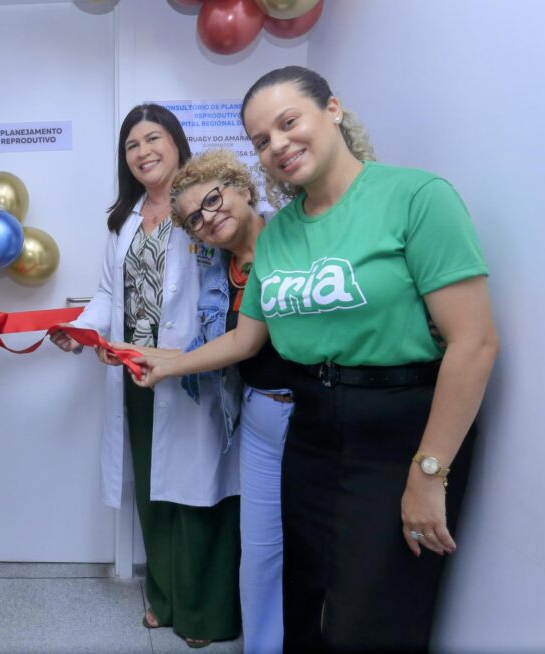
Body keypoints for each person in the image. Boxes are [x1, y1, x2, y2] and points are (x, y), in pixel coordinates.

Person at [128, 66, 498, 652]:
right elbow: (246, 340)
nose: (277, 145)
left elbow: (473, 343)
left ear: (333, 109)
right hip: (311, 422)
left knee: (372, 613)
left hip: (399, 422)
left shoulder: (416, 197)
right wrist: (167, 361)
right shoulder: (279, 236)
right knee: (303, 594)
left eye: (288, 122)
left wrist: (430, 472)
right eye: (262, 140)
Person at [50, 104, 241, 648]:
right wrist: (82, 330)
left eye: (153, 138)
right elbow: (109, 293)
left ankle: (204, 615)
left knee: (201, 493)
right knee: (154, 493)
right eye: (132, 145)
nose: (143, 152)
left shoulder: (205, 208)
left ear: (176, 142)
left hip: (192, 373)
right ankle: (164, 597)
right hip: (136, 375)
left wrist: (184, 356)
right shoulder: (124, 219)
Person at [129, 149, 296, 654]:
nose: (208, 218)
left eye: (213, 200)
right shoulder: (221, 270)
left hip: (309, 411)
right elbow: (212, 345)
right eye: (195, 220)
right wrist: (139, 352)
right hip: (259, 410)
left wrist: (168, 366)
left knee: (305, 546)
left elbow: (245, 342)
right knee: (261, 552)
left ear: (242, 188)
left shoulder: (290, 238)